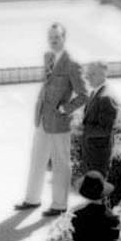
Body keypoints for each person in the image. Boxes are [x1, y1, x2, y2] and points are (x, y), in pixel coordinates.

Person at [16, 23, 88, 217]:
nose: (53, 41)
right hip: (42, 119)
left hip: (59, 122)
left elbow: (83, 94)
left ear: (64, 38)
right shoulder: (48, 57)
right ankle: (32, 199)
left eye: (56, 37)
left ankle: (59, 204)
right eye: (50, 37)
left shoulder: (72, 64)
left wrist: (66, 108)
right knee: (37, 159)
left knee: (60, 163)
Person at [80, 61, 118, 176]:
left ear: (102, 75)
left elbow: (105, 130)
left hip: (98, 159)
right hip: (92, 156)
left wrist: (83, 130)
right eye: (87, 74)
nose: (87, 77)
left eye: (91, 74)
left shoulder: (106, 97)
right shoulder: (95, 93)